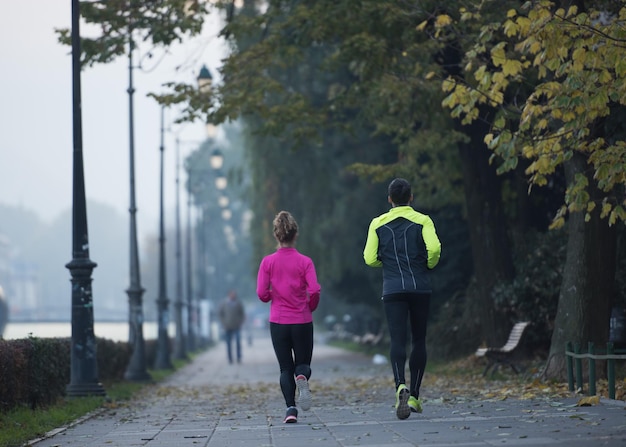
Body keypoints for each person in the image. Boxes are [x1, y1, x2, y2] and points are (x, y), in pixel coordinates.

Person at [363, 178, 441, 420]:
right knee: (418, 339)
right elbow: (435, 249)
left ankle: (400, 386)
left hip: (393, 288)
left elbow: (369, 257)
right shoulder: (423, 220)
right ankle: (415, 396)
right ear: (411, 197)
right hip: (419, 287)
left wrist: (384, 264)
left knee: (397, 339)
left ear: (389, 199)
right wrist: (427, 265)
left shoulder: (377, 223)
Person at [256, 211, 321, 424]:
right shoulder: (305, 262)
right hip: (302, 320)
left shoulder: (268, 262)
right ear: (295, 234)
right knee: (302, 364)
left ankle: (291, 410)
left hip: (278, 322)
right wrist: (310, 307)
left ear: (277, 235)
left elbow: (261, 294)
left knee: (285, 368)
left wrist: (272, 295)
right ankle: (302, 377)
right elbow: (315, 290)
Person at [218, 290, 245, 364]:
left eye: (234, 294)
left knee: (238, 341)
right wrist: (223, 323)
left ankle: (239, 357)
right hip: (227, 326)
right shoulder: (224, 303)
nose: (233, 296)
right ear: (229, 295)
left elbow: (242, 314)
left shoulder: (238, 303)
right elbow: (220, 314)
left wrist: (240, 322)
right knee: (228, 343)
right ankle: (230, 358)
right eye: (232, 294)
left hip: (237, 326)